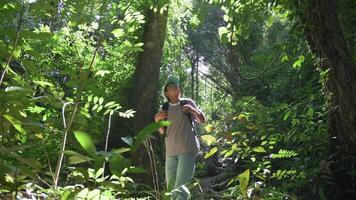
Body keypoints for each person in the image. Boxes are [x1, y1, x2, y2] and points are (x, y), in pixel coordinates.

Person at [154, 76, 206, 200]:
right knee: (170, 189)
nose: (174, 87)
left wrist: (193, 110)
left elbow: (202, 120)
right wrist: (157, 120)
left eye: (176, 86)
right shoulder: (165, 108)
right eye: (170, 86)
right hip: (170, 151)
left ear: (179, 90)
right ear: (166, 92)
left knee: (181, 188)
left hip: (187, 149)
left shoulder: (187, 102)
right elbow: (162, 131)